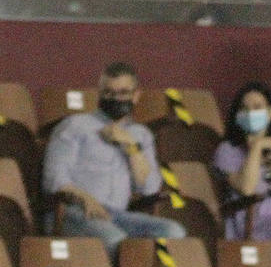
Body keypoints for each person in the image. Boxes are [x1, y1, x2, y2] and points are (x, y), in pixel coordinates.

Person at [43, 61, 186, 252]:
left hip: (119, 216)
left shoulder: (140, 134)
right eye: (109, 93)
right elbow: (53, 179)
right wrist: (85, 198)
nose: (116, 98)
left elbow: (149, 188)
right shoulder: (75, 126)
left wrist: (131, 146)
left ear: (136, 96)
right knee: (115, 238)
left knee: (173, 231)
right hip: (74, 212)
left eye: (123, 93)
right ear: (100, 94)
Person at [213, 81, 271, 242]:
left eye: (257, 107)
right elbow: (247, 189)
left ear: (270, 112)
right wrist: (257, 146)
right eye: (244, 108)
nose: (250, 113)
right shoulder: (227, 150)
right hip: (253, 231)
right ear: (237, 115)